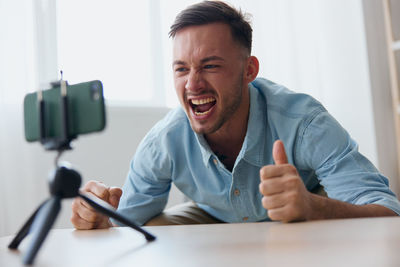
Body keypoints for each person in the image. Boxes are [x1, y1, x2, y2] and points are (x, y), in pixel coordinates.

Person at [71, 0, 400, 229]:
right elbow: (125, 220)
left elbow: (390, 214)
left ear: (249, 70)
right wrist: (99, 216)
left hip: (305, 209)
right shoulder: (164, 141)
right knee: (155, 228)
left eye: (210, 66)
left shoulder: (305, 122)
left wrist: (315, 207)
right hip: (218, 217)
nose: (193, 84)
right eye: (181, 69)